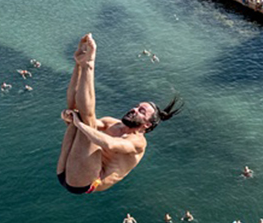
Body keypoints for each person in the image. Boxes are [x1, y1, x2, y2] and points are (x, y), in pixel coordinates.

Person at [55, 33, 182, 194]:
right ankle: (80, 64)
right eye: (136, 106)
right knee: (78, 113)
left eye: (141, 111)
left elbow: (108, 144)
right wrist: (68, 117)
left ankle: (89, 64)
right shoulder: (111, 123)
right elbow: (78, 116)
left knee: (85, 121)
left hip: (85, 182)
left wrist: (78, 123)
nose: (134, 109)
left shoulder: (138, 143)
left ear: (147, 124)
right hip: (66, 170)